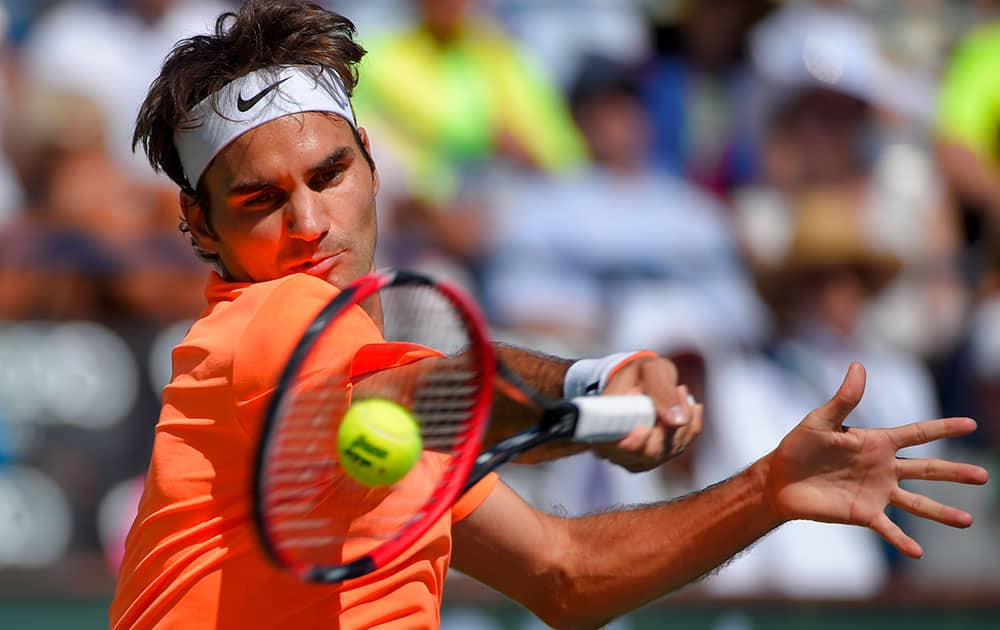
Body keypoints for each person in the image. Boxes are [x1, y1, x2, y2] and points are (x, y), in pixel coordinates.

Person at [111, 2, 988, 629]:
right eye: (260, 201)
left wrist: (769, 489)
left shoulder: (359, 386)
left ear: (371, 162)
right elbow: (422, 397)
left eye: (329, 176)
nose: (308, 225)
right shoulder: (259, 324)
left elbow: (566, 576)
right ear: (200, 226)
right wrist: (590, 385)